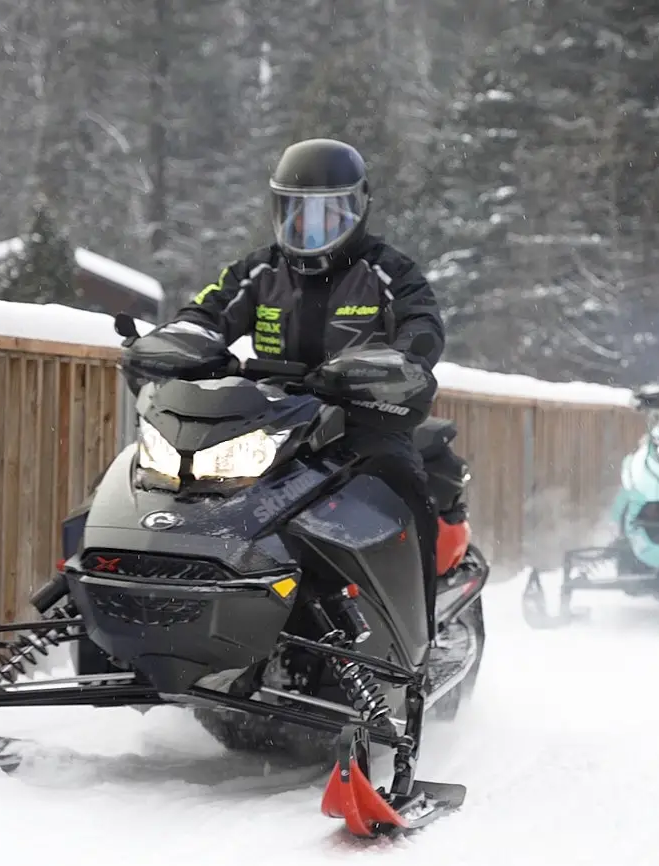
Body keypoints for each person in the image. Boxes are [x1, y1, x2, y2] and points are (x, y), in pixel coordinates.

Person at [118, 137, 445, 634]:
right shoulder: (260, 270)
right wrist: (179, 343)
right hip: (274, 418)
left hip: (363, 417)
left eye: (328, 215)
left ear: (358, 209)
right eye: (296, 214)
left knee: (405, 490)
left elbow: (423, 327)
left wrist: (394, 362)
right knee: (184, 484)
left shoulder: (388, 271)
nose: (310, 229)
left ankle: (421, 629)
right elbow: (206, 312)